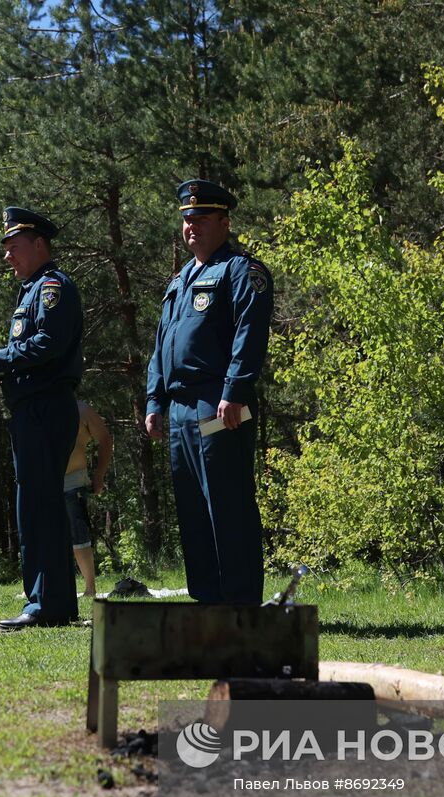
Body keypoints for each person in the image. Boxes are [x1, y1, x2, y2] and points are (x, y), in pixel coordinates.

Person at [144, 179, 273, 605]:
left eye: (201, 219)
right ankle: (207, 601)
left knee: (227, 503)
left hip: (219, 403)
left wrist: (234, 390)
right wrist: (154, 400)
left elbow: (248, 335)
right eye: (186, 220)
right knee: (193, 511)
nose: (191, 227)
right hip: (180, 408)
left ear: (224, 222)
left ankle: (239, 602)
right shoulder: (180, 279)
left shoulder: (241, 271)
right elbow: (162, 344)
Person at [0, 207, 83, 630]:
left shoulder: (53, 288)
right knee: (35, 503)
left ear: (38, 245)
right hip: (32, 408)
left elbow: (48, 343)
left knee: (39, 505)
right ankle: (54, 602)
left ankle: (44, 604)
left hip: (46, 406)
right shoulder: (31, 290)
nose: (7, 257)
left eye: (13, 247)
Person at [65, 399, 113, 596]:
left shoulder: (81, 409)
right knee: (44, 537)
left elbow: (105, 439)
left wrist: (99, 475)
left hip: (73, 481)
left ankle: (90, 588)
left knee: (79, 537)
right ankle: (40, 587)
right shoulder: (39, 405)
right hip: (43, 483)